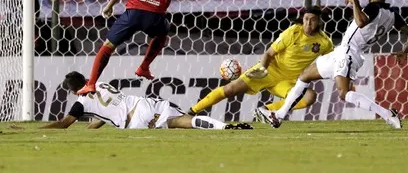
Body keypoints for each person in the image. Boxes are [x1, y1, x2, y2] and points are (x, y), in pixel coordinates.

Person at [259, 0, 408, 129]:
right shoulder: (393, 15)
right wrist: (405, 51)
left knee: (343, 93)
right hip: (342, 51)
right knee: (305, 75)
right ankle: (279, 115)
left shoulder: (373, 7)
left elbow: (361, 22)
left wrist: (355, 3)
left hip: (349, 53)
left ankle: (387, 114)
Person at [77, 0, 220, 95]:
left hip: (133, 12)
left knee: (107, 46)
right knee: (162, 32)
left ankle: (91, 84)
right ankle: (144, 67)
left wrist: (109, 6)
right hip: (154, 16)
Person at [187, 7, 333, 119]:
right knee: (230, 90)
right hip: (268, 71)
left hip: (289, 81)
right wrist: (262, 68)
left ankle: (266, 111)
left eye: (312, 19)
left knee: (310, 97)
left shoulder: (324, 42)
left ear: (319, 21)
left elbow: (329, 63)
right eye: (306, 18)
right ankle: (192, 111)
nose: (308, 23)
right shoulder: (293, 32)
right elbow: (269, 53)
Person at [37, 72, 251, 130]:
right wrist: (94, 126)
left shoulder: (81, 103)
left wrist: (40, 129)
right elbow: (110, 110)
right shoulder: (101, 83)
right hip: (143, 104)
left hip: (135, 123)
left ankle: (222, 127)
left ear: (74, 91)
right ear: (86, 79)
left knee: (178, 125)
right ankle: (223, 127)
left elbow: (64, 124)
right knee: (184, 120)